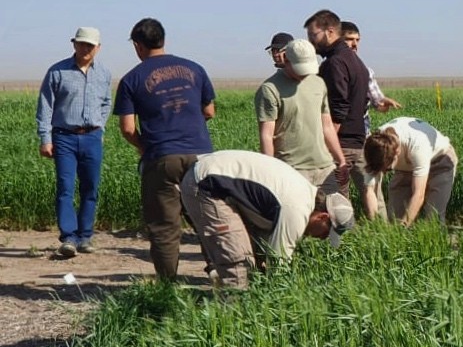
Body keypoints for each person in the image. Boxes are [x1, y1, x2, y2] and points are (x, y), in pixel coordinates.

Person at [113, 18, 216, 280]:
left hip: (162, 157)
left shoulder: (131, 80)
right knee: (208, 216)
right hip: (201, 155)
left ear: (137, 45)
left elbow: (126, 128)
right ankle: (218, 270)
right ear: (163, 40)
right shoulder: (195, 69)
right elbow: (209, 111)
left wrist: (145, 146)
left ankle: (168, 285)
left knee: (164, 225)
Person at [179, 150, 354, 290]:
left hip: (215, 179)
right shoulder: (296, 209)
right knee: (238, 264)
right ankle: (233, 315)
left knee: (256, 258)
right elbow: (278, 265)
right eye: (326, 232)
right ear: (323, 216)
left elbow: (266, 247)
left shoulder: (303, 195)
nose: (323, 238)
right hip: (205, 185)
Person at [36, 26, 113, 258]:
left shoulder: (104, 73)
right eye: (81, 44)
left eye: (90, 45)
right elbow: (45, 107)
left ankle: (85, 236)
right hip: (64, 137)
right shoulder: (57, 72)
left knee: (90, 187)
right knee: (65, 188)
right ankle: (68, 238)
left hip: (92, 137)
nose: (85, 48)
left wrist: (100, 126)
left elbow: (107, 102)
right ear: (74, 44)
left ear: (98, 48)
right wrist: (45, 138)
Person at [255, 38, 349, 196]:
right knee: (299, 218)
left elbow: (327, 126)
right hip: (292, 168)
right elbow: (266, 135)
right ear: (286, 60)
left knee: (336, 216)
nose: (304, 74)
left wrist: (341, 160)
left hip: (325, 166)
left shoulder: (318, 83)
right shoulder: (270, 89)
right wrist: (269, 170)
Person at [304, 9, 370, 200]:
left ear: (330, 31)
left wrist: (327, 140)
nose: (310, 41)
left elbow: (340, 106)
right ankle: (383, 228)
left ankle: (344, 230)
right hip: (359, 140)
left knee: (334, 200)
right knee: (372, 195)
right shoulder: (356, 61)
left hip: (341, 143)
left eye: (313, 35)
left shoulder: (335, 63)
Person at [362, 116, 459, 225]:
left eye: (387, 169)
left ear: (397, 153)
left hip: (440, 162)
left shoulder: (417, 145)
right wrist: (375, 225)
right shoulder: (373, 148)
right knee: (395, 217)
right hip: (407, 167)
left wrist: (404, 226)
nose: (384, 172)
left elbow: (419, 194)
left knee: (432, 217)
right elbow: (370, 191)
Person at [340, 21, 401, 136]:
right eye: (349, 39)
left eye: (357, 40)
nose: (354, 44)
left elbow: (379, 104)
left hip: (359, 130)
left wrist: (384, 103)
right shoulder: (325, 69)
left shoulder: (365, 72)